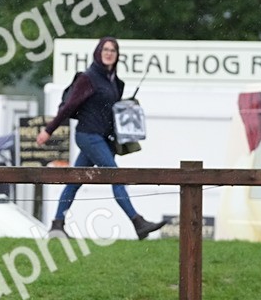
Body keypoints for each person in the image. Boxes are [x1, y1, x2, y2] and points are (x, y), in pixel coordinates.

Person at [36, 37, 166, 241]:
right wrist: (48, 131)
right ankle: (138, 222)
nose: (109, 53)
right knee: (116, 175)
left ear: (117, 55)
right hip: (88, 136)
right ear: (98, 52)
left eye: (113, 50)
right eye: (105, 49)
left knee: (74, 181)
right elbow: (68, 106)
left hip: (103, 138)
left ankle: (57, 225)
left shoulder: (113, 81)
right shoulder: (88, 78)